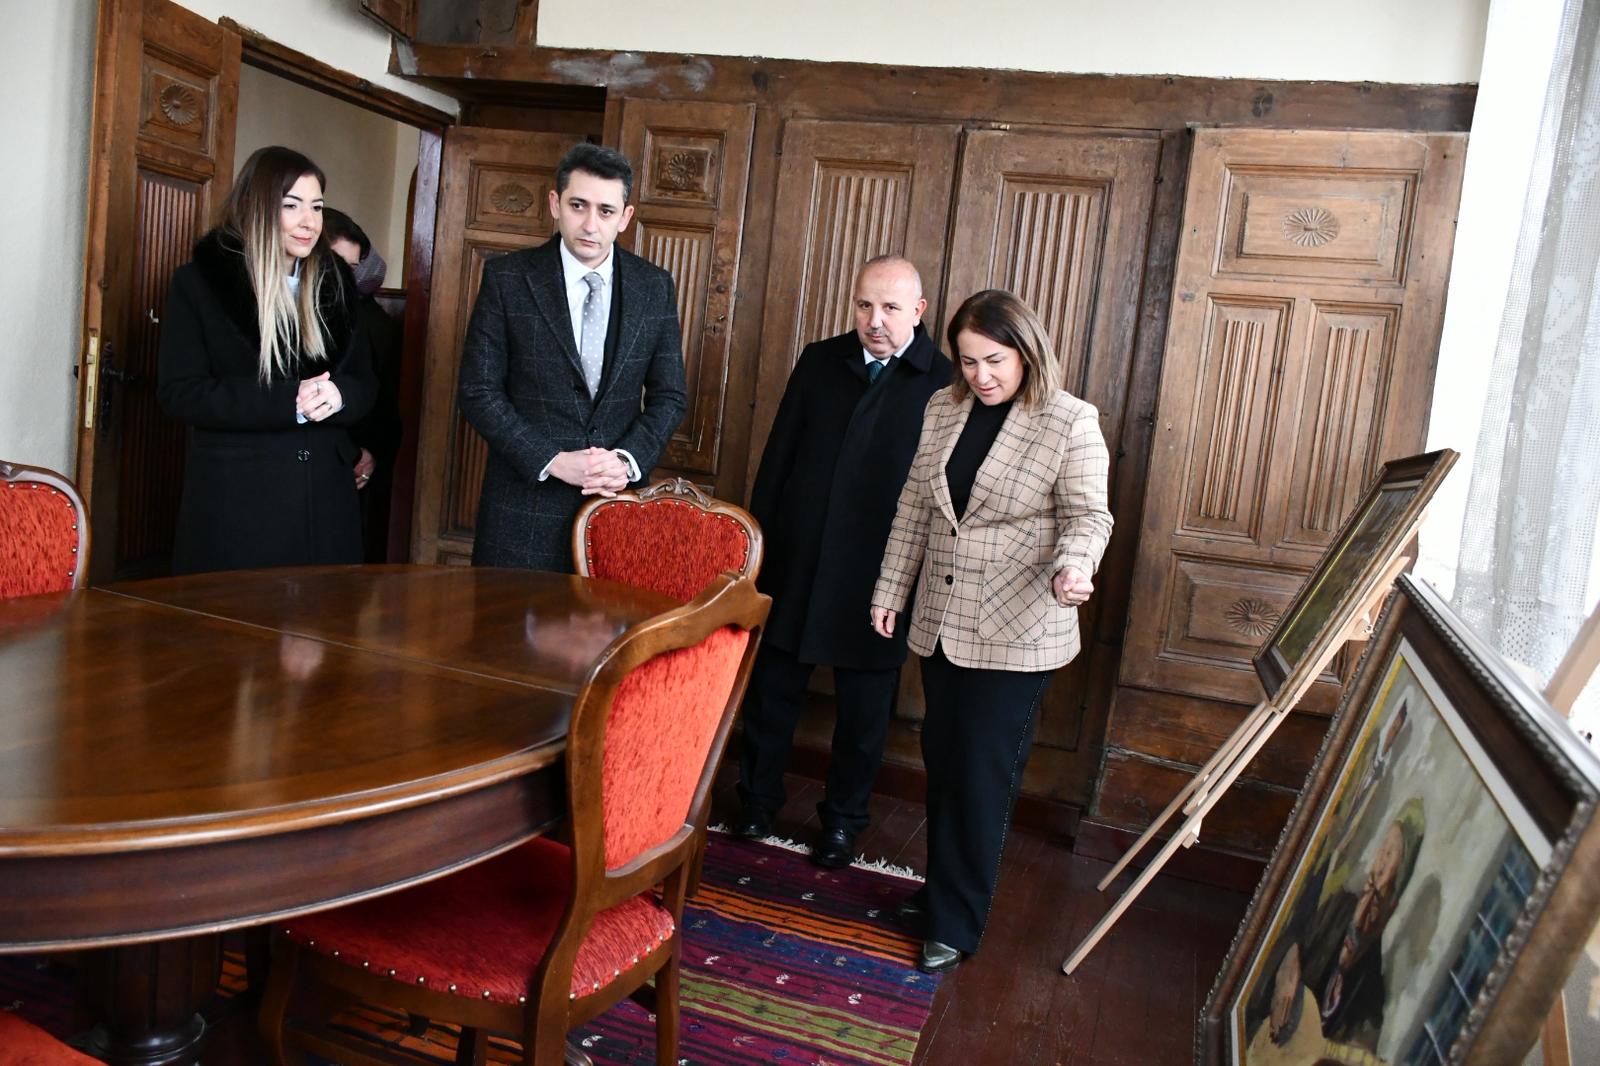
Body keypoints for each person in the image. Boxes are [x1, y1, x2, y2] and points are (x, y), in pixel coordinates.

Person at [870, 288, 1113, 972]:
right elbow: (915, 508)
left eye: (995, 361)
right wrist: (890, 590)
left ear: (1027, 353)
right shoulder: (942, 408)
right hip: (944, 621)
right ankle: (939, 893)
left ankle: (956, 922)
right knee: (945, 762)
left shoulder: (1069, 420)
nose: (980, 375)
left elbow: (1089, 516)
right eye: (969, 361)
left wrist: (1075, 567)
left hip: (1019, 627)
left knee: (981, 775)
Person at [736, 256, 952, 868]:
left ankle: (842, 824)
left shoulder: (942, 381)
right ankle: (755, 803)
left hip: (880, 574)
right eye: (864, 305)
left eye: (890, 308)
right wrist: (758, 555)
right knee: (772, 694)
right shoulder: (820, 360)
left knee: (863, 714)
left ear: (918, 311)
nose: (874, 321)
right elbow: (778, 459)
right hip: (799, 558)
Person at [457, 143, 687, 571]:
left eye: (605, 211)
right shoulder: (508, 279)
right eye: (578, 205)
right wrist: (553, 460)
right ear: (555, 204)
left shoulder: (654, 286)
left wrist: (625, 461)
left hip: (616, 509)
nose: (590, 224)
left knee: (607, 618)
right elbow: (478, 391)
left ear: (625, 217)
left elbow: (670, 396)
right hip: (522, 511)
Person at [158, 145, 376, 575]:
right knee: (240, 616)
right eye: (291, 205)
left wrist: (338, 396)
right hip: (241, 502)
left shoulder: (337, 286)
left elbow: (366, 384)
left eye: (317, 206)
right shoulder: (200, 285)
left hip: (325, 504)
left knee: (326, 613)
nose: (309, 221)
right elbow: (180, 393)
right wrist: (288, 401)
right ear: (253, 205)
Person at [323, 207, 403, 560]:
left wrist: (368, 453)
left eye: (351, 268)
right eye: (334, 264)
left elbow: (383, 401)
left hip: (347, 465)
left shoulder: (367, 321)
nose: (342, 277)